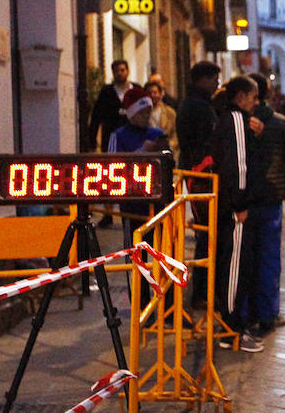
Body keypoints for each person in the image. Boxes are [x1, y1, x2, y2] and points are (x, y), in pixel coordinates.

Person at [215, 75, 265, 352]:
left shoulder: (236, 121)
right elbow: (239, 165)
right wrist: (240, 203)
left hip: (235, 205)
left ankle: (234, 326)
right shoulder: (235, 120)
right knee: (234, 265)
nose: (256, 103)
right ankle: (231, 330)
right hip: (236, 209)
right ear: (241, 97)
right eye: (253, 97)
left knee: (237, 265)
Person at [107, 87, 168, 304]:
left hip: (157, 205)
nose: (145, 117)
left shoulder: (157, 134)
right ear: (131, 113)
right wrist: (143, 152)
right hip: (133, 207)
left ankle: (164, 302)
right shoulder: (119, 136)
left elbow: (169, 166)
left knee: (163, 255)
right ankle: (139, 303)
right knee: (136, 257)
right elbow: (113, 167)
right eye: (141, 113)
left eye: (147, 112)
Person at [245, 72, 285, 333]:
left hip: (246, 200)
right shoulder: (280, 123)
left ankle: (247, 312)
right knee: (269, 259)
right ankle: (268, 312)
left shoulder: (241, 123)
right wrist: (283, 187)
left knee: (246, 257)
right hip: (271, 198)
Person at [176, 60, 221, 309]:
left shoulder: (197, 104)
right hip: (200, 176)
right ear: (202, 79)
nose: (217, 83)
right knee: (205, 234)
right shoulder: (198, 107)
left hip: (197, 174)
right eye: (214, 79)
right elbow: (203, 142)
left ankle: (202, 291)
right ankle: (201, 293)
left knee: (205, 234)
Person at [89, 59, 142, 226]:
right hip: (111, 139)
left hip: (133, 139)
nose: (120, 73)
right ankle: (108, 212)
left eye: (122, 70)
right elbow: (96, 115)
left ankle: (132, 210)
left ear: (127, 71)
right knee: (109, 176)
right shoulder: (106, 92)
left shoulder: (136, 90)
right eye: (116, 71)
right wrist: (91, 138)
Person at [145, 80, 177, 153]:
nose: (152, 95)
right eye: (149, 93)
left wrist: (169, 145)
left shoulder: (170, 113)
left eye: (155, 93)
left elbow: (175, 134)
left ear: (160, 94)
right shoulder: (141, 114)